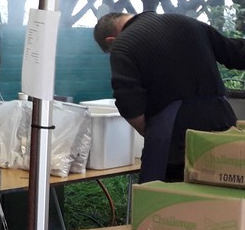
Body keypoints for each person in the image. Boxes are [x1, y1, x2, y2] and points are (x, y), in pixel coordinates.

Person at [94, 11, 245, 183]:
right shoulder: (186, 21)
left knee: (169, 199)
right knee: (222, 192)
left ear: (111, 41)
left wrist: (150, 131)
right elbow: (236, 54)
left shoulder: (123, 43)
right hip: (223, 121)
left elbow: (128, 102)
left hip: (177, 135)